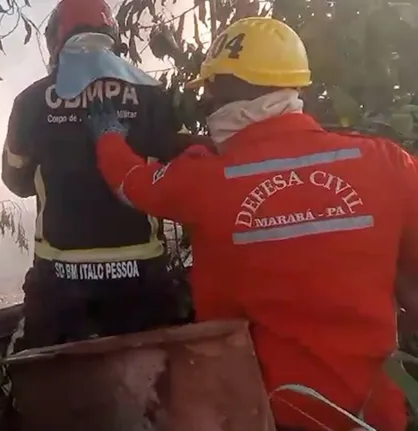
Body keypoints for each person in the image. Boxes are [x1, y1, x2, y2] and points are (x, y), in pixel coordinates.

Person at [85, 16, 408, 431]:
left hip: (271, 416)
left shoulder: (206, 180)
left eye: (211, 90)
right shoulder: (387, 162)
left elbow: (132, 184)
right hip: (377, 418)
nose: (205, 102)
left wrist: (108, 136)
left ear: (227, 91)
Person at [1, 0, 190, 353]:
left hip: (60, 282)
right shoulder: (153, 96)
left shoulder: (30, 102)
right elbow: (181, 172)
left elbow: (17, 181)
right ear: (112, 36)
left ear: (56, 40)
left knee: (24, 370)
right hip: (143, 279)